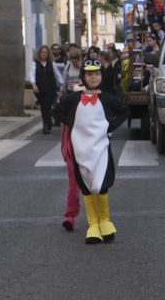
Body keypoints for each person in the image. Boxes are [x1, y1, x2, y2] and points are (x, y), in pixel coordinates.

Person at [53, 61, 129, 244]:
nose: (93, 77)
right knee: (86, 187)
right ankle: (93, 225)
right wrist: (72, 123)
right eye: (89, 74)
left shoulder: (107, 98)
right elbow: (56, 111)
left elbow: (125, 111)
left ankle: (105, 221)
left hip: (100, 149)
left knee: (101, 186)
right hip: (81, 150)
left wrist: (110, 126)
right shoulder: (74, 98)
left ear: (101, 76)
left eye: (97, 74)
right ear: (83, 77)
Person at [31, 45, 61, 134]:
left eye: (46, 52)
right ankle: (47, 123)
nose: (44, 54)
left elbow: (57, 74)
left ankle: (47, 124)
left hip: (51, 88)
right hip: (40, 89)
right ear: (39, 53)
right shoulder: (35, 63)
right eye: (42, 52)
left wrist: (62, 84)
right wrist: (33, 85)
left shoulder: (52, 63)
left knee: (47, 106)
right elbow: (32, 74)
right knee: (43, 107)